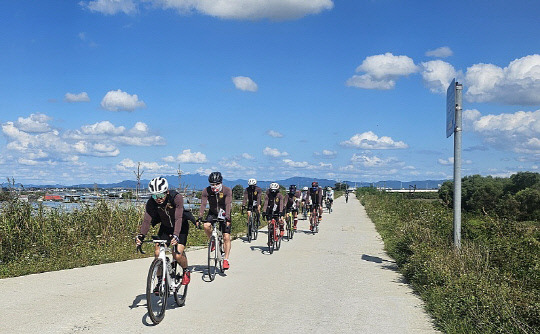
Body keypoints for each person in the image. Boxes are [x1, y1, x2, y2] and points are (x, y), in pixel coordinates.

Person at [136, 177, 191, 288]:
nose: (158, 199)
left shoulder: (176, 198)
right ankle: (160, 280)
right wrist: (141, 236)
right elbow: (147, 220)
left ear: (166, 191)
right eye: (155, 196)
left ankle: (186, 270)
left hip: (180, 227)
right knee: (157, 253)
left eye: (160, 195)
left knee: (177, 255)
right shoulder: (151, 203)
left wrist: (176, 235)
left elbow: (178, 218)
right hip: (165, 227)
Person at [197, 172, 233, 270]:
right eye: (212, 184)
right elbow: (203, 205)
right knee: (206, 226)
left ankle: (226, 260)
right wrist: (200, 216)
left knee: (226, 237)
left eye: (217, 184)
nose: (214, 186)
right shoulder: (206, 191)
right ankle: (212, 241)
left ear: (221, 183)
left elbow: (228, 204)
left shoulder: (227, 190)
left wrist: (228, 217)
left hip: (224, 212)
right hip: (212, 212)